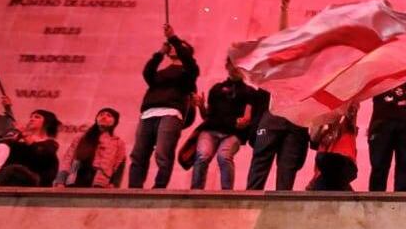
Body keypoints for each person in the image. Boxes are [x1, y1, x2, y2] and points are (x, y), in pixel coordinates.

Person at [128, 24, 199, 189]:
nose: (174, 48)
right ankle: (134, 187)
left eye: (179, 47)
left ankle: (159, 187)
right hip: (148, 113)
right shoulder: (160, 73)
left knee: (163, 152)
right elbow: (147, 72)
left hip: (171, 113)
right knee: (139, 153)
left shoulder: (188, 74)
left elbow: (190, 63)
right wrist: (160, 52)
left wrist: (174, 38)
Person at [191, 59, 255, 190]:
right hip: (210, 130)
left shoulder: (249, 91)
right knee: (202, 155)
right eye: (233, 64)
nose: (236, 67)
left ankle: (227, 192)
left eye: (239, 64)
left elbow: (248, 116)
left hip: (233, 133)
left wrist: (244, 121)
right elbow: (206, 116)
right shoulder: (217, 89)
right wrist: (201, 106)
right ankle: (196, 191)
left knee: (224, 156)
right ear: (227, 66)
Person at [245, 90, 311, 192]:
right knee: (282, 170)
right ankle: (251, 201)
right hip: (286, 116)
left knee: (285, 170)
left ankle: (252, 201)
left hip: (293, 118)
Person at [368, 72, 406, 192]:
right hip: (382, 124)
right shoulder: (379, 74)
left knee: (405, 165)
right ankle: (375, 203)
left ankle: (403, 202)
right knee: (379, 166)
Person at [0, 100, 61, 186]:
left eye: (37, 117)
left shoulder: (50, 144)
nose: (31, 119)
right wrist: (8, 108)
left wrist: (25, 135)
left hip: (34, 184)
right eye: (31, 117)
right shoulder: (19, 138)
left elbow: (40, 153)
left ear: (47, 123)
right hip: (12, 181)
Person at [57, 108, 126, 187]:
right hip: (75, 179)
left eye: (109, 116)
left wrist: (114, 184)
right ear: (96, 118)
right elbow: (68, 159)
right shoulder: (81, 138)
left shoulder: (118, 143)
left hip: (100, 182)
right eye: (101, 115)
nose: (104, 117)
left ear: (115, 122)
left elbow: (119, 165)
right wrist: (61, 180)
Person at [307, 103, 359, 191]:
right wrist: (321, 123)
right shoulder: (321, 110)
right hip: (323, 164)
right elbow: (314, 138)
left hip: (343, 161)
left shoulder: (349, 105)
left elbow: (351, 116)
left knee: (325, 183)